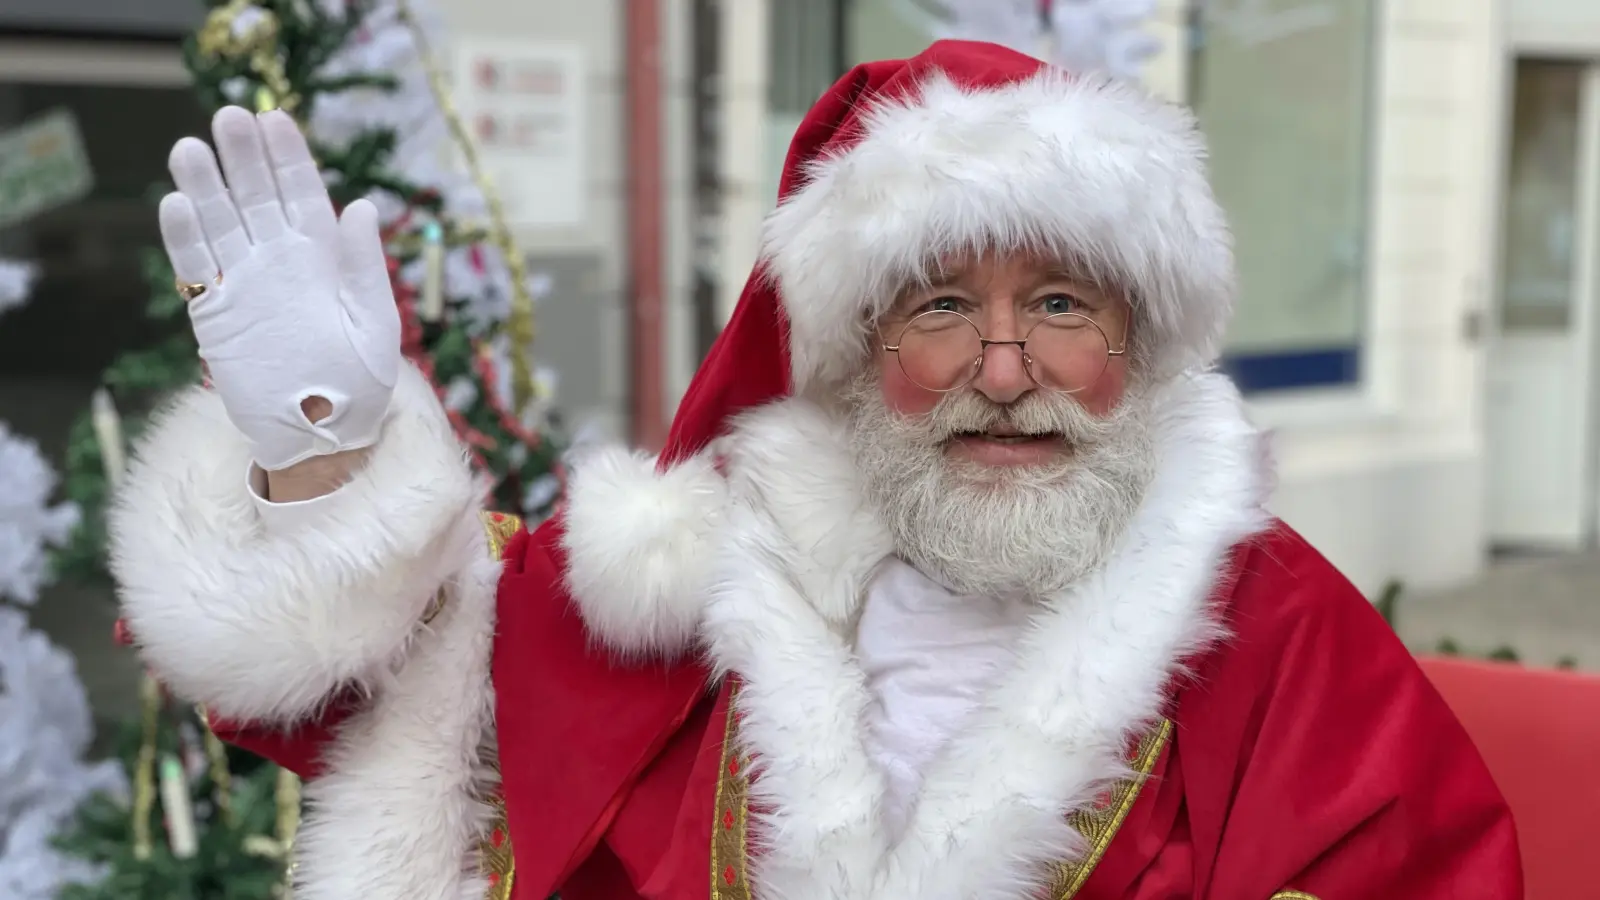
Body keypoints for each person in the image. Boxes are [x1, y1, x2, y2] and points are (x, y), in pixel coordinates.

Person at [109, 40, 1521, 900]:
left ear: (1139, 346)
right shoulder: (694, 583)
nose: (1008, 370)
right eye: (942, 307)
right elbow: (379, 696)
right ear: (854, 357)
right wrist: (322, 450)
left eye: (1063, 305)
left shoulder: (1274, 632)